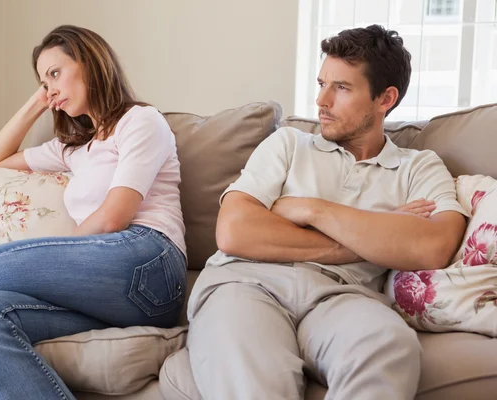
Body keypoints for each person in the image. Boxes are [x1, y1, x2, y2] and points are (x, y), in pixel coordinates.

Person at [185, 24, 467, 400]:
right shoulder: (287, 144)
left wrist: (309, 209)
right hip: (247, 285)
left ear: (385, 98)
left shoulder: (419, 167)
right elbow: (235, 231)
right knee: (255, 378)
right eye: (322, 84)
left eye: (342, 88)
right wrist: (377, 235)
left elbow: (434, 245)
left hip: (344, 298)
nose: (322, 101)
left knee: (390, 346)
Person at [0, 25, 187, 400]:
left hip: (148, 262)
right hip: (105, 291)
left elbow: (115, 217)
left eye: (56, 73)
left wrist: (53, 251)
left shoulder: (141, 121)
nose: (50, 89)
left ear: (90, 63)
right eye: (43, 82)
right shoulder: (73, 150)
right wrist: (38, 101)